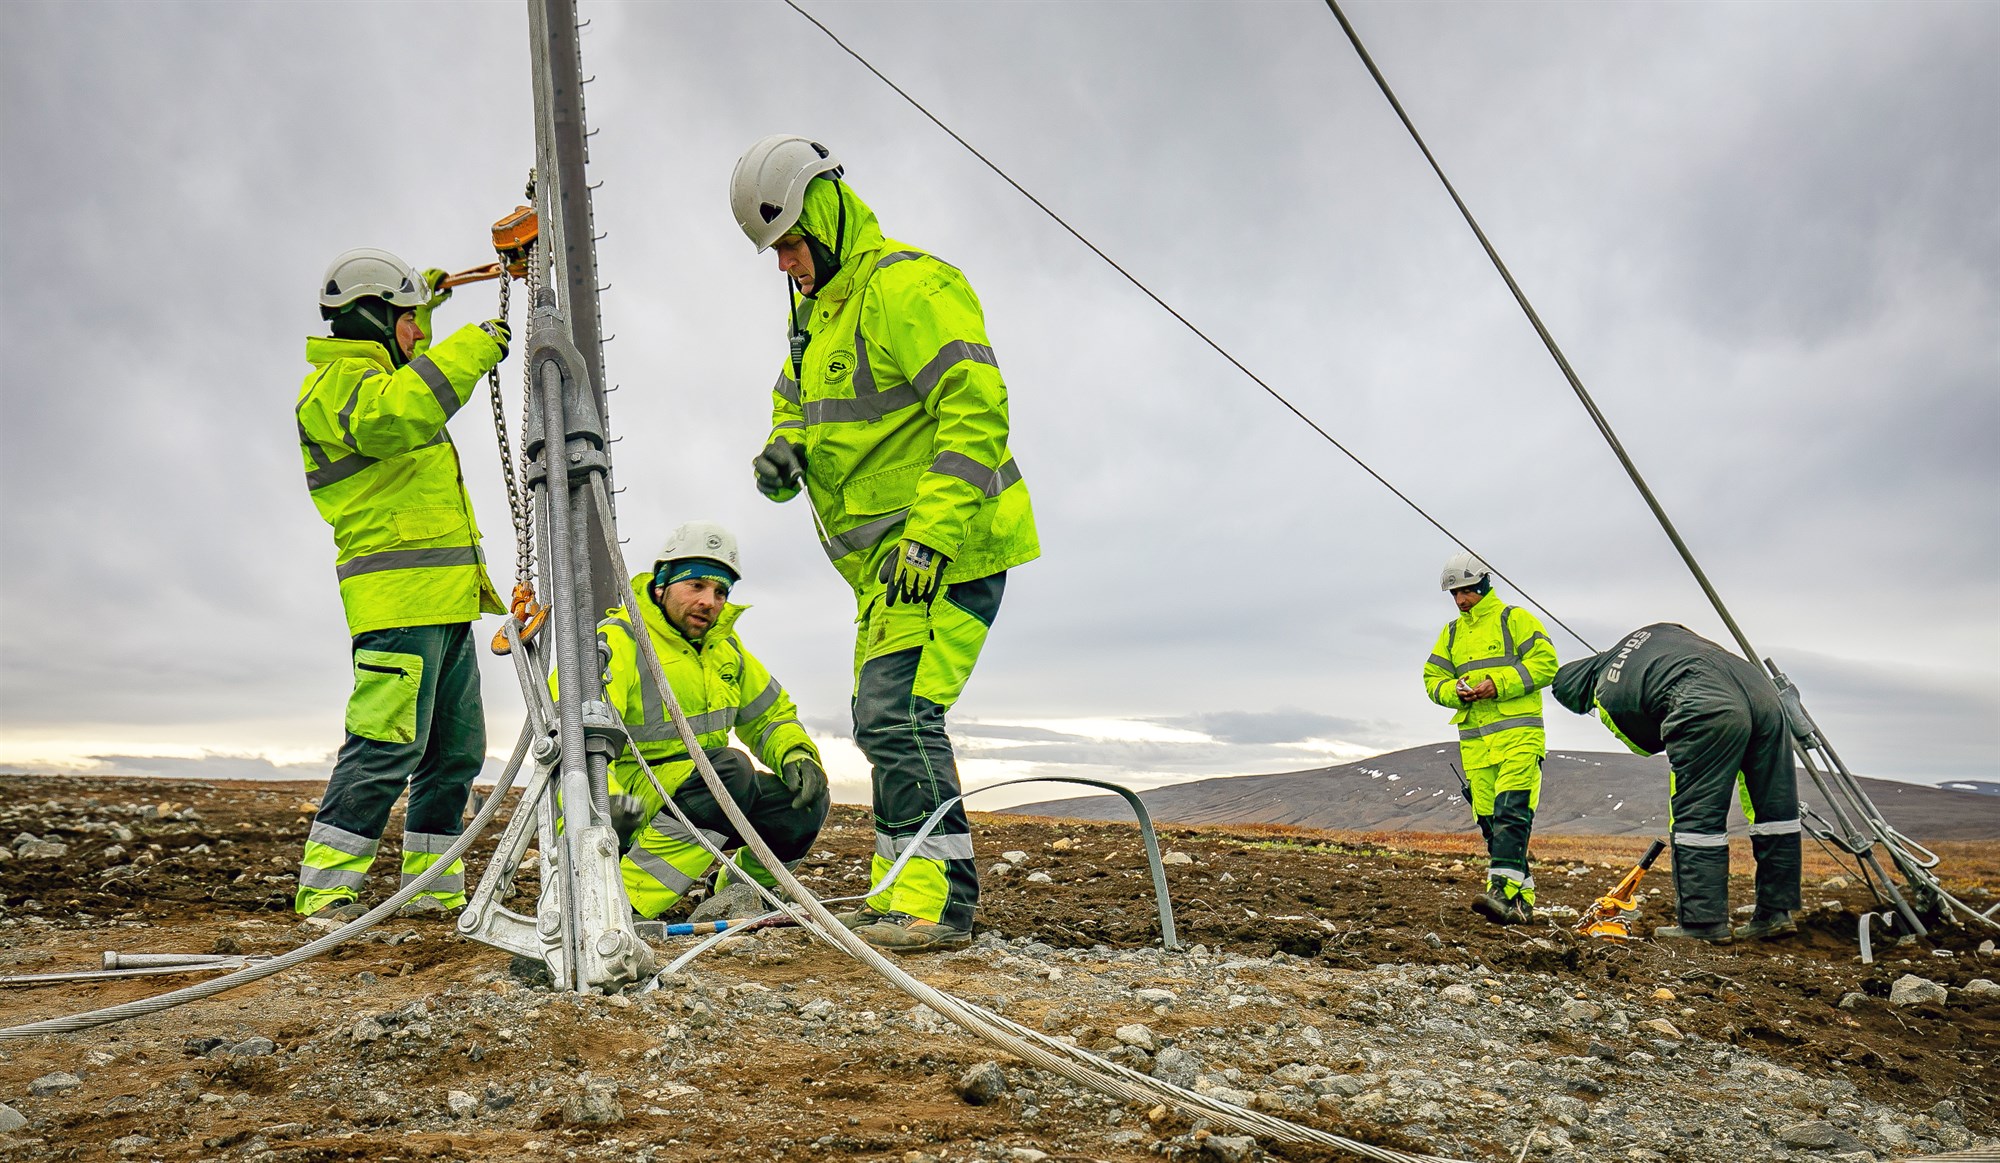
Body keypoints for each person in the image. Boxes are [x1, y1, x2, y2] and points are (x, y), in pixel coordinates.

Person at [728, 135, 1039, 953]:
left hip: (951, 548)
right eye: (778, 251)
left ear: (823, 212)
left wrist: (932, 537)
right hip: (884, 568)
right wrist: (783, 446)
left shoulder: (908, 286)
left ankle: (939, 908)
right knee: (879, 719)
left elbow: (975, 410)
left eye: (791, 243)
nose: (786, 263)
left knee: (902, 712)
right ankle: (905, 893)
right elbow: (795, 397)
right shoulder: (816, 312)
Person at [293, 248, 510, 924]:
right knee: (388, 746)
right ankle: (327, 890)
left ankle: (433, 887)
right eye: (408, 321)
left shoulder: (381, 372)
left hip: (444, 602)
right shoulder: (338, 386)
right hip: (398, 604)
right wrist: (476, 346)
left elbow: (408, 375)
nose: (419, 334)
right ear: (374, 318)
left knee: (454, 752)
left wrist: (432, 301)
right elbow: (398, 413)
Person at [587, 521, 830, 921]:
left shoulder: (725, 648)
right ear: (661, 585)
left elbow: (770, 716)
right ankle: (623, 903)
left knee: (804, 800)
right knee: (731, 771)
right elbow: (577, 736)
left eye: (720, 592)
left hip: (706, 785)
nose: (709, 602)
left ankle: (742, 895)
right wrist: (606, 804)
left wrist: (797, 755)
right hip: (631, 796)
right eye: (696, 586)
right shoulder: (620, 640)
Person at [1551, 623, 1802, 943]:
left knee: (1697, 813)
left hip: (1705, 705)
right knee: (1773, 808)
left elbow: (1644, 744)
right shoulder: (1645, 636)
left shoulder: (1605, 688)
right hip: (1762, 693)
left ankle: (1703, 924)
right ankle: (1775, 913)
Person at [1421, 552, 1560, 924]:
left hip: (1519, 736)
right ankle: (1521, 904)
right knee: (1490, 823)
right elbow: (1432, 680)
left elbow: (1547, 664)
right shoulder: (1451, 633)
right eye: (1454, 594)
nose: (1461, 600)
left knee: (1512, 814)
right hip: (1476, 743)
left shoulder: (1514, 619)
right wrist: (1455, 690)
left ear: (1483, 585)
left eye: (1466, 591)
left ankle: (1500, 892)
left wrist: (1497, 684)